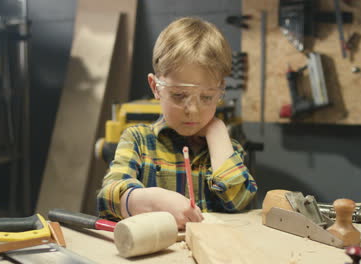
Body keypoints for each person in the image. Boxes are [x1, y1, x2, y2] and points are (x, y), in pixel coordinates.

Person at [97, 17, 257, 230]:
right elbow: (108, 198)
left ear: (221, 89)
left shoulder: (227, 149)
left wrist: (217, 131)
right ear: (155, 87)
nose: (193, 110)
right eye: (180, 95)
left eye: (207, 97)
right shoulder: (138, 140)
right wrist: (146, 200)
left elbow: (240, 201)